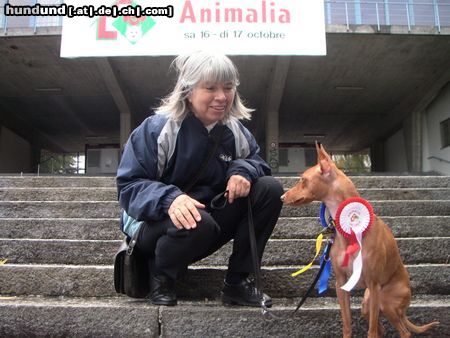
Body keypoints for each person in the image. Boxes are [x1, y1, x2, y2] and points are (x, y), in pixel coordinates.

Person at [116, 50, 283, 307]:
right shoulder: (157, 129)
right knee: (197, 221)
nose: (221, 97)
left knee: (269, 190)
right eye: (210, 88)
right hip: (156, 229)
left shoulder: (235, 131)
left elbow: (258, 163)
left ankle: (238, 282)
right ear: (188, 90)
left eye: (228, 88)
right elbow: (130, 186)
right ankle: (161, 276)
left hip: (208, 223)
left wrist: (242, 171)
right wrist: (170, 199)